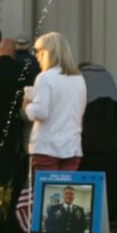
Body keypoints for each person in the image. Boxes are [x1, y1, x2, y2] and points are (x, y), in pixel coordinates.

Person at [23, 31, 86, 173]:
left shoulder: (44, 78)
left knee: (47, 191)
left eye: (39, 52)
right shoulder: (78, 78)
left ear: (48, 53)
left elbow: (40, 112)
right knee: (66, 191)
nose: (36, 56)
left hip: (47, 146)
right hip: (72, 146)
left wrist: (28, 106)